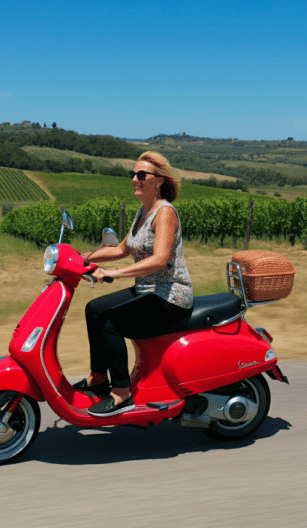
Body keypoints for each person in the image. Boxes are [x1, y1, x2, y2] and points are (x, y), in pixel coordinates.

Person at [77, 151, 193, 417]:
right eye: (133, 174)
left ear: (159, 180)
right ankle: (98, 378)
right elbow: (121, 249)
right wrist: (82, 258)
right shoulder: (143, 211)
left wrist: (113, 274)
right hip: (147, 291)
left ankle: (121, 393)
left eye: (141, 175)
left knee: (110, 321)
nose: (134, 179)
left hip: (170, 295)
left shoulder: (164, 213)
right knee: (94, 309)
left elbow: (160, 260)